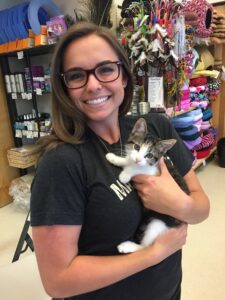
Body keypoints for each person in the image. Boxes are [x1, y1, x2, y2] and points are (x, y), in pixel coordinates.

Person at [30, 22, 210, 300]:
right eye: (77, 75)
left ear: (124, 75)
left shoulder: (155, 127)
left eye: (105, 69)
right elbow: (58, 281)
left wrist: (179, 204)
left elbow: (201, 208)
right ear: (64, 87)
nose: (93, 85)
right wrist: (155, 253)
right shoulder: (61, 163)